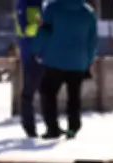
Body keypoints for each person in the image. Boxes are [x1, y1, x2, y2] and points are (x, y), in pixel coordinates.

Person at [32, 0, 98, 139]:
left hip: (55, 60)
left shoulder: (53, 8)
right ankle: (72, 129)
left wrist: (36, 50)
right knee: (74, 97)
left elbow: (44, 31)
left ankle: (53, 128)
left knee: (48, 93)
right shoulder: (88, 12)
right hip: (78, 62)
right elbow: (92, 40)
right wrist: (88, 60)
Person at [14, 0, 44, 138]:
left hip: (47, 52)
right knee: (29, 92)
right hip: (31, 53)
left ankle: (52, 126)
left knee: (49, 92)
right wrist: (40, 26)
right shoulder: (23, 4)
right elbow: (23, 30)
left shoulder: (46, 3)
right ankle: (29, 127)